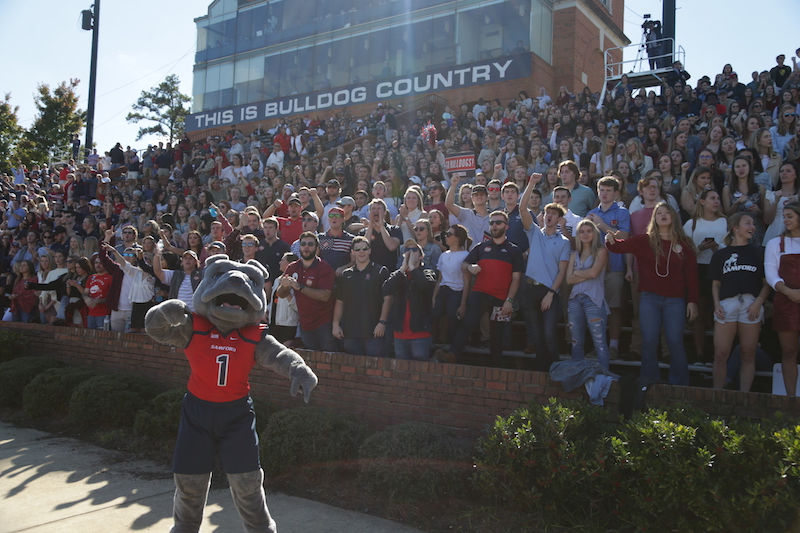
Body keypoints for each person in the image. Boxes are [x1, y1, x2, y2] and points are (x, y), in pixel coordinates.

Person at [606, 203, 699, 385]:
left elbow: (692, 276)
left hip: (675, 300)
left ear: (673, 216)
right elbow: (617, 247)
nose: (663, 215)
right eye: (659, 213)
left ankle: (680, 385)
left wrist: (692, 301)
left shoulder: (684, 243)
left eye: (667, 212)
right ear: (654, 219)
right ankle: (649, 383)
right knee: (649, 343)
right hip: (649, 298)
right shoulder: (644, 241)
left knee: (675, 343)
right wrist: (609, 238)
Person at [435, 211, 524, 364]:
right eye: (492, 223)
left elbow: (516, 279)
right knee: (467, 326)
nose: (494, 226)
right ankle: (452, 356)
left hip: (501, 299)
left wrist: (509, 301)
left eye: (498, 223)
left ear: (506, 226)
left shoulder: (514, 250)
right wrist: (469, 267)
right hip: (480, 294)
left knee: (497, 336)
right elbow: (464, 265)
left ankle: (495, 371)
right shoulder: (480, 247)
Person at [709, 213, 769, 391]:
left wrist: (759, 302)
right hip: (727, 304)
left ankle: (744, 395)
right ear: (736, 227)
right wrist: (717, 304)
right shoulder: (721, 254)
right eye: (747, 223)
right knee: (720, 353)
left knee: (748, 353)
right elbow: (715, 284)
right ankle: (717, 394)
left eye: (753, 223)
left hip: (751, 304)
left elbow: (767, 284)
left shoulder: (759, 253)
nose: (752, 227)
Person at [519, 176, 571, 370]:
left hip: (549, 292)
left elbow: (563, 271)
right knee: (537, 335)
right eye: (547, 212)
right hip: (530, 289)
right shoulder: (534, 233)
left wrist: (551, 293)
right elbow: (522, 209)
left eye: (553, 213)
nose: (549, 215)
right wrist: (531, 183)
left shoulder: (564, 242)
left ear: (559, 219)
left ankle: (556, 372)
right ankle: (542, 374)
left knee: (549, 335)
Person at [586, 177, 631, 359]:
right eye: (601, 190)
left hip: (615, 266)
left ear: (616, 193)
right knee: (594, 308)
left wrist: (601, 225)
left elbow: (625, 236)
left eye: (608, 190)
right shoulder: (590, 213)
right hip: (594, 268)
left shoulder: (622, 212)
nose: (604, 193)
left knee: (613, 308)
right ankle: (597, 346)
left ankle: (613, 346)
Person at [682, 189, 728, 364]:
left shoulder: (725, 222)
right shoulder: (691, 224)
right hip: (698, 271)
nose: (716, 201)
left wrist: (717, 248)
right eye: (712, 198)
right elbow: (684, 250)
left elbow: (731, 246)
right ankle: (700, 354)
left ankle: (719, 354)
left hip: (720, 270)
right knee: (699, 315)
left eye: (718, 198)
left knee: (721, 314)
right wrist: (700, 247)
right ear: (702, 201)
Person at [277, 232, 337, 351]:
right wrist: (284, 286)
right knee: (310, 360)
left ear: (316, 248)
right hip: (304, 323)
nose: (306, 247)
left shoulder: (325, 268)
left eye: (310, 244)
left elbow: (325, 295)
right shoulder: (292, 267)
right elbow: (281, 294)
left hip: (324, 323)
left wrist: (300, 287)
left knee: (327, 359)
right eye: (303, 244)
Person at [332, 236, 391, 357]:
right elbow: (339, 301)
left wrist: (382, 322)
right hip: (350, 332)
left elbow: (388, 299)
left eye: (364, 248)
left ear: (370, 250)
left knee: (375, 370)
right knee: (353, 372)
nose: (361, 252)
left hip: (374, 332)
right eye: (357, 249)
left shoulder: (381, 271)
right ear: (353, 252)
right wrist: (335, 324)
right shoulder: (346, 274)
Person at [765, 202, 800, 397]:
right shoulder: (775, 243)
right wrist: (790, 292)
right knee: (789, 351)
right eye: (784, 216)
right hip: (785, 302)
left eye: (790, 216)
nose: (785, 220)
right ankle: (791, 399)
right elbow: (771, 275)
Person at [566, 220, 610, 368]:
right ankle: (576, 376)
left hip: (594, 300)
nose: (585, 234)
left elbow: (594, 273)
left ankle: (604, 378)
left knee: (600, 343)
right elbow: (568, 279)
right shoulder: (574, 254)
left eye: (588, 231)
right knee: (576, 342)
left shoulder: (601, 251)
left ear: (594, 233)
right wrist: (586, 273)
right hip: (574, 300)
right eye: (582, 231)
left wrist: (577, 272)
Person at [383, 239, 437, 360]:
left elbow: (426, 286)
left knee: (420, 372)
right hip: (400, 335)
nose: (410, 253)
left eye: (414, 250)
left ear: (422, 256)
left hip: (420, 334)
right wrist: (403, 269)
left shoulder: (428, 272)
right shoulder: (398, 274)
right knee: (401, 374)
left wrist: (413, 268)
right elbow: (386, 289)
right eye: (407, 250)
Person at [430, 224, 471, 345]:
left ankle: (455, 354)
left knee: (454, 323)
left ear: (457, 238)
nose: (446, 237)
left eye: (449, 234)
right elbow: (440, 279)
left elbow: (467, 282)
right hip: (442, 292)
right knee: (431, 317)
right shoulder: (443, 255)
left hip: (456, 293)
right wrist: (434, 297)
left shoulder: (465, 255)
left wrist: (463, 304)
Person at [445, 175, 490, 248]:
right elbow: (449, 205)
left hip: (488, 255)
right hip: (470, 256)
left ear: (487, 197)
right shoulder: (466, 213)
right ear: (472, 198)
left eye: (482, 194)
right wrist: (453, 186)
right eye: (476, 195)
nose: (479, 197)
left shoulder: (493, 217)